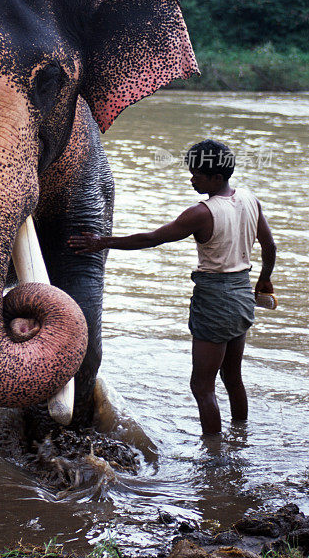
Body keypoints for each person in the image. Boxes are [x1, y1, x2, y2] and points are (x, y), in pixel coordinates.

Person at [68, 139, 276, 436]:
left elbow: (153, 238)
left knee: (202, 386)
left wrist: (101, 242)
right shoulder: (249, 199)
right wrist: (265, 278)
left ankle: (214, 455)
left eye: (198, 176)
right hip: (242, 293)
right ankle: (241, 436)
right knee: (232, 377)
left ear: (217, 177)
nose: (192, 180)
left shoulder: (203, 212)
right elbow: (269, 244)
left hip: (216, 300)